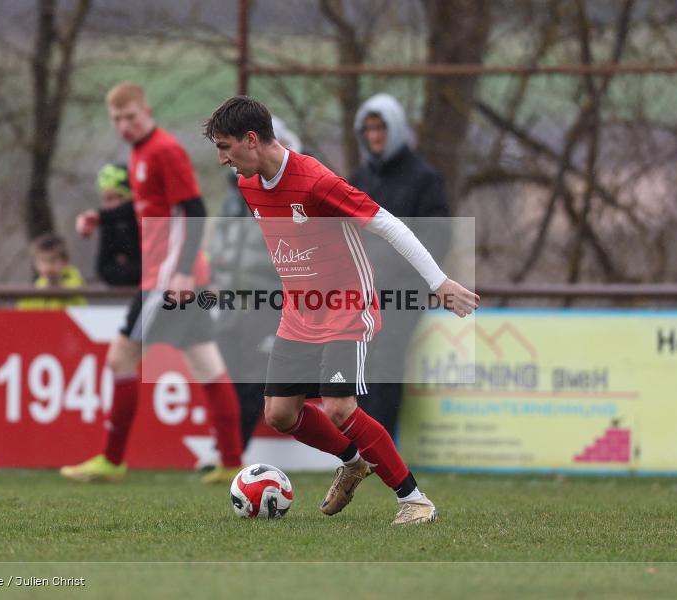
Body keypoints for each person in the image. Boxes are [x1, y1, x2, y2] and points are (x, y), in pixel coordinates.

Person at [204, 96, 478, 525]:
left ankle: (414, 500)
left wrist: (438, 282)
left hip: (348, 304)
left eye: (225, 147)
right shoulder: (248, 184)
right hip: (300, 312)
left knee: (339, 406)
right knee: (279, 413)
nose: (222, 159)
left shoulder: (315, 179)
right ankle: (353, 462)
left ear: (251, 140)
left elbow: (388, 224)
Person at [61, 82, 243, 484]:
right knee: (207, 364)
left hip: (166, 279)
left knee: (121, 358)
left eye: (130, 117)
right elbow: (147, 206)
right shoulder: (141, 153)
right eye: (117, 119)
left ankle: (112, 460)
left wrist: (179, 271)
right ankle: (231, 461)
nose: (124, 125)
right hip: (172, 275)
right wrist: (101, 217)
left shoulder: (164, 150)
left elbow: (193, 210)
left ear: (146, 111)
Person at [350, 93, 451, 439]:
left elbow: (438, 237)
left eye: (381, 127)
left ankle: (379, 447)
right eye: (369, 128)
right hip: (362, 292)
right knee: (359, 363)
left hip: (403, 291)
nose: (375, 135)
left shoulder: (424, 178)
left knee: (385, 363)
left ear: (395, 129)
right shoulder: (359, 178)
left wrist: (396, 271)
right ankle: (358, 448)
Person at [209, 117, 300, 451]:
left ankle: (231, 452)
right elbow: (221, 241)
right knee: (226, 376)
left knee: (252, 380)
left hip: (267, 301)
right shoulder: (234, 192)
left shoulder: (291, 188)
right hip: (231, 301)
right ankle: (226, 450)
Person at [79, 163, 141, 287]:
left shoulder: (144, 219)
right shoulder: (108, 223)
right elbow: (104, 269)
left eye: (118, 197)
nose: (111, 205)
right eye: (107, 199)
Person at [17, 233, 87, 310]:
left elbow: (73, 292)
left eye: (52, 261)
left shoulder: (75, 281)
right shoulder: (34, 291)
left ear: (65, 261)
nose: (47, 267)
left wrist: (57, 285)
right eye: (42, 261)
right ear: (36, 264)